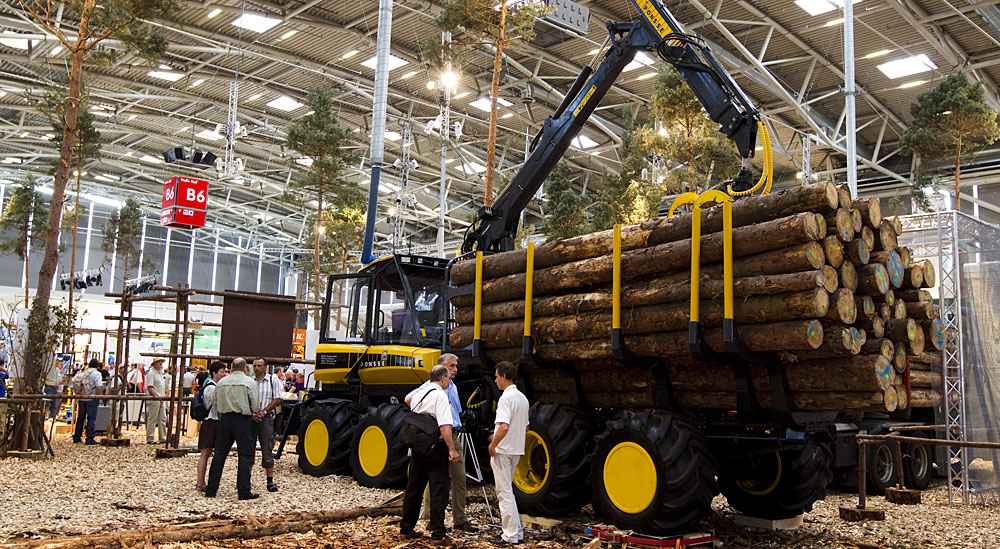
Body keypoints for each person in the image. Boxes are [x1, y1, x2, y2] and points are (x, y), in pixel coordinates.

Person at [405, 353, 475, 532]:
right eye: (451, 366)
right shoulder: (432, 387)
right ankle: (430, 519)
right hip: (438, 438)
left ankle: (459, 519)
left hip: (454, 434)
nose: (456, 369)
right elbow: (409, 398)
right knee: (434, 479)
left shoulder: (453, 387)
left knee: (459, 477)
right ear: (442, 369)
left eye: (456, 366)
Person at [399, 365, 460, 545]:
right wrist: (452, 449)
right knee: (439, 489)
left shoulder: (419, 394)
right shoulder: (440, 396)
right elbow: (444, 426)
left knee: (414, 488)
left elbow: (409, 406)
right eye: (448, 378)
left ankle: (406, 529)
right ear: (442, 378)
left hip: (418, 446)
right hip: (435, 447)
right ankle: (438, 534)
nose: (449, 381)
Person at [205, 358, 261, 500]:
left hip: (225, 420)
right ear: (244, 368)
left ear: (232, 367)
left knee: (219, 455)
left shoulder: (222, 382)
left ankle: (211, 489)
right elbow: (255, 405)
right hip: (243, 420)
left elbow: (216, 403)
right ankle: (243, 491)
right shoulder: (249, 382)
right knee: (244, 456)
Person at [487, 361, 530, 545]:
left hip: (503, 450)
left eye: (497, 376)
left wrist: (493, 444)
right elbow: (525, 427)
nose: (495, 380)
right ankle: (517, 531)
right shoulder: (523, 398)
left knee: (504, 494)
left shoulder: (505, 398)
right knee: (508, 492)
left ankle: (510, 535)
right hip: (516, 449)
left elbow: (504, 426)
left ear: (504, 376)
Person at [252, 358, 283, 493]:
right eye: (255, 365)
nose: (257, 368)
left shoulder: (272, 380)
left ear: (265, 367)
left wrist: (264, 412)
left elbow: (277, 398)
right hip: (251, 418)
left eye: (259, 365)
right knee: (248, 448)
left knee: (267, 447)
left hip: (266, 417)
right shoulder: (250, 381)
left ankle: (270, 480)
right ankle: (245, 479)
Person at [196, 361, 227, 492]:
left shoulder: (214, 386)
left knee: (207, 452)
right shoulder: (211, 388)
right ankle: (200, 482)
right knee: (205, 453)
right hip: (211, 421)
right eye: (222, 372)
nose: (224, 374)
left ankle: (202, 481)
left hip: (213, 421)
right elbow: (217, 405)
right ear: (214, 373)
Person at [72, 359, 104, 445]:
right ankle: (89, 437)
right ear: (97, 366)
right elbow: (98, 387)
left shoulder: (84, 373)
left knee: (80, 418)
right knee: (91, 419)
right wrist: (98, 397)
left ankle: (77, 436)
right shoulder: (97, 374)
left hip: (82, 398)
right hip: (92, 397)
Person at [145, 359, 168, 444]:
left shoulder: (160, 374)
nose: (160, 364)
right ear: (154, 364)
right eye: (158, 363)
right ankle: (150, 438)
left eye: (161, 363)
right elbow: (150, 386)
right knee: (153, 418)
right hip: (154, 399)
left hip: (161, 398)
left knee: (163, 418)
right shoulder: (151, 373)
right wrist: (155, 396)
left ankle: (163, 437)